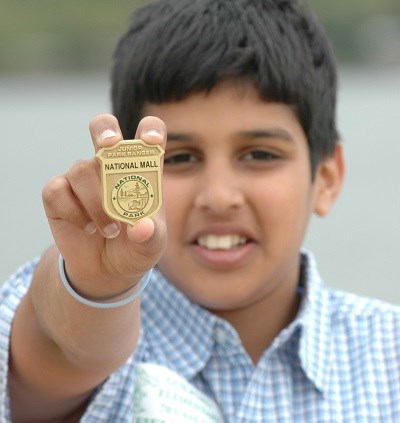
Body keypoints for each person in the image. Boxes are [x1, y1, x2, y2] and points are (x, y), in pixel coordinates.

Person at [1, 0, 399, 421]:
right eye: (178, 158)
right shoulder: (97, 322)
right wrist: (98, 283)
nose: (219, 195)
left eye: (260, 154)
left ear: (327, 178)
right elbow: (54, 346)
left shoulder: (388, 354)